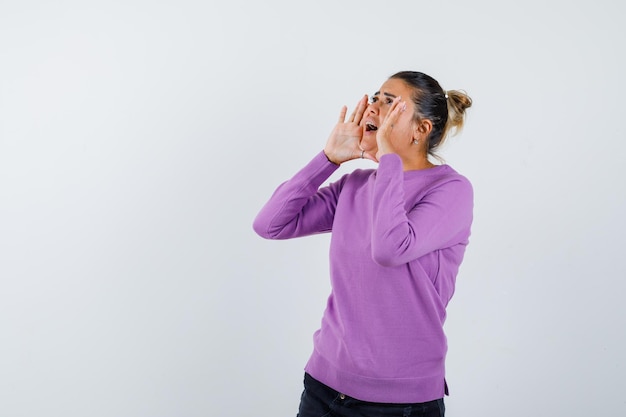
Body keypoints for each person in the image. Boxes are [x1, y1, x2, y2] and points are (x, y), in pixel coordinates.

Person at [253, 71, 473, 417]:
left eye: (390, 103)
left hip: (401, 403)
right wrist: (328, 159)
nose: (372, 107)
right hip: (323, 387)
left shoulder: (451, 190)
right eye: (375, 97)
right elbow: (270, 225)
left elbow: (389, 248)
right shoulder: (355, 185)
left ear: (421, 129)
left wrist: (388, 160)